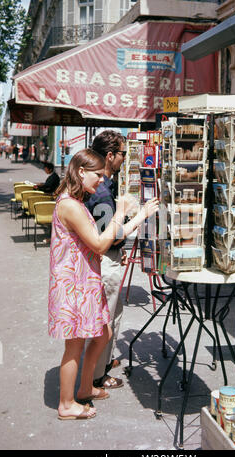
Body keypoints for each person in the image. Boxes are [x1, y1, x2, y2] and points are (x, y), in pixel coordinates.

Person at [48, 148, 158, 420]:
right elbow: (99, 244)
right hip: (73, 285)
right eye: (97, 175)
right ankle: (66, 404)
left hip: (85, 282)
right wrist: (120, 212)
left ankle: (86, 388)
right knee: (74, 345)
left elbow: (105, 239)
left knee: (103, 334)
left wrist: (138, 216)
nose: (101, 180)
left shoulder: (76, 201)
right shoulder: (70, 205)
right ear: (81, 171)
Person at [85, 130, 129, 390]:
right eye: (122, 154)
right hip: (106, 261)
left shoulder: (104, 184)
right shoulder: (102, 190)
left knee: (113, 314)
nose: (125, 158)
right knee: (106, 320)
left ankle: (104, 362)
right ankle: (97, 376)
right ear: (110, 156)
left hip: (109, 258)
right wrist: (133, 219)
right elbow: (108, 236)